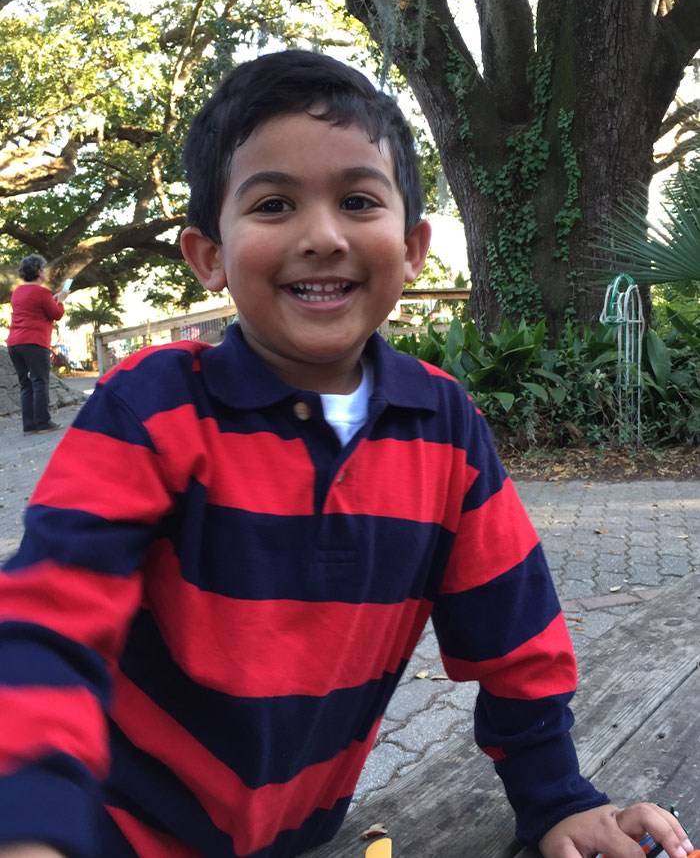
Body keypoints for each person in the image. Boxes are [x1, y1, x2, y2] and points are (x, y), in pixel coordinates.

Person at [0, 51, 693, 858]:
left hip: (300, 833)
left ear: (410, 247)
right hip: (103, 826)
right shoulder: (153, 405)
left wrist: (558, 798)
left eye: (358, 200)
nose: (321, 236)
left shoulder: (445, 426)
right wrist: (32, 823)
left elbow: (515, 633)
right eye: (273, 204)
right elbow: (47, 625)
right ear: (208, 256)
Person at [6, 254, 68, 434]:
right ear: (40, 272)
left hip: (14, 343)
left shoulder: (17, 292)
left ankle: (29, 425)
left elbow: (35, 308)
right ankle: (43, 422)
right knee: (40, 381)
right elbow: (55, 314)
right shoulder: (42, 292)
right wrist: (61, 301)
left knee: (26, 383)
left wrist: (53, 298)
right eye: (44, 270)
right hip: (34, 341)